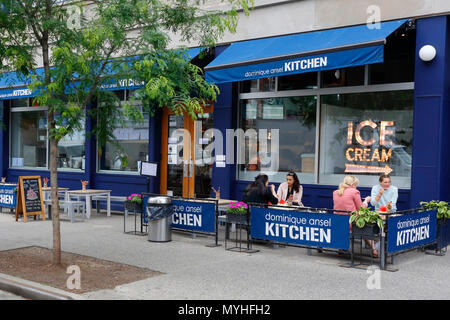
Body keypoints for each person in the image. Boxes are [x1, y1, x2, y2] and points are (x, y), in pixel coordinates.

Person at [333, 175, 377, 257]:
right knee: (366, 226)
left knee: (354, 223)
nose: (356, 186)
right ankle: (374, 250)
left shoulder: (336, 192)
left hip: (338, 222)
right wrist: (366, 201)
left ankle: (341, 248)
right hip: (351, 223)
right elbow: (361, 209)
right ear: (353, 184)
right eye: (356, 184)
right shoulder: (354, 192)